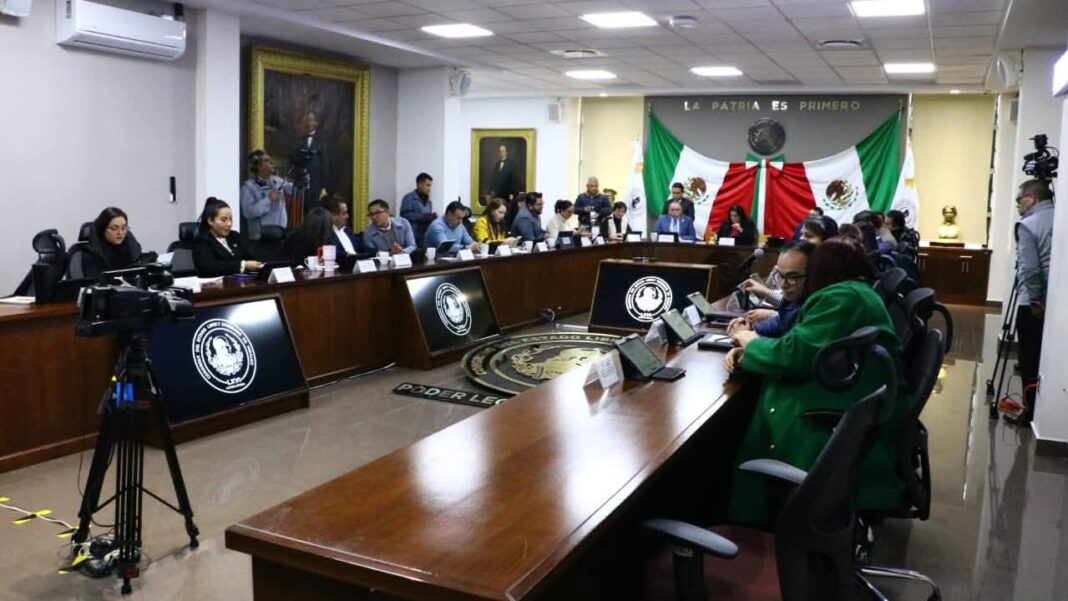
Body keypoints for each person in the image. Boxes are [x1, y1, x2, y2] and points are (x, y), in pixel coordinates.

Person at [723, 237, 904, 526]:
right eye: (782, 276)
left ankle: (750, 528)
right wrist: (751, 351)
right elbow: (803, 343)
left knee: (735, 428)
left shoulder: (841, 298)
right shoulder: (855, 292)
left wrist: (748, 341)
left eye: (798, 275)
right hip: (851, 401)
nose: (786, 284)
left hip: (832, 412)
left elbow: (793, 354)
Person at [1004, 180, 1054, 425]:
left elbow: (1030, 268)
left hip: (1033, 305)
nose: (1017, 204)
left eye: (1019, 199)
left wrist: (1034, 300)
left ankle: (1030, 413)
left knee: (1029, 358)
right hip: (1055, 300)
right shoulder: (1058, 217)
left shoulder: (1028, 225)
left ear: (1032, 198)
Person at [727, 240, 814, 339]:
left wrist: (750, 338)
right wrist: (749, 327)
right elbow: (780, 322)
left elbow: (789, 346)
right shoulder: (795, 300)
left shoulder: (816, 308)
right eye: (780, 275)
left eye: (792, 277)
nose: (783, 285)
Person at [193, 197, 262, 277]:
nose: (229, 224)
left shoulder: (235, 236)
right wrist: (242, 265)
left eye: (230, 219)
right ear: (210, 221)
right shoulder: (202, 241)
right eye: (223, 220)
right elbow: (209, 267)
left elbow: (251, 257)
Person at [240, 149, 293, 241]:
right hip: (261, 236)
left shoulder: (277, 180)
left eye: (271, 160)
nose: (272, 162)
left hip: (280, 233)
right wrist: (268, 199)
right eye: (267, 160)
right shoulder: (248, 187)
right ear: (258, 166)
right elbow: (248, 212)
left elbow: (293, 190)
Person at [81, 207, 146, 279]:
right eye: (114, 228)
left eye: (123, 228)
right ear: (102, 229)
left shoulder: (131, 247)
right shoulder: (90, 253)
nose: (120, 233)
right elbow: (94, 281)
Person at [294, 110, 327, 212]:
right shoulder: (301, 140)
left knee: (316, 210)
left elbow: (326, 163)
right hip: (302, 184)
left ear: (317, 123)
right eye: (307, 120)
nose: (309, 123)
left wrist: (324, 186)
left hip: (317, 183)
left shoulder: (323, 140)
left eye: (312, 120)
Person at [400, 173, 437, 247]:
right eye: (427, 185)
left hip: (425, 236)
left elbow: (427, 217)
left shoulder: (429, 201)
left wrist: (432, 217)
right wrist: (424, 217)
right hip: (412, 236)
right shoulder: (409, 198)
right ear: (419, 184)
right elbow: (405, 215)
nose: (429, 188)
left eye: (430, 186)